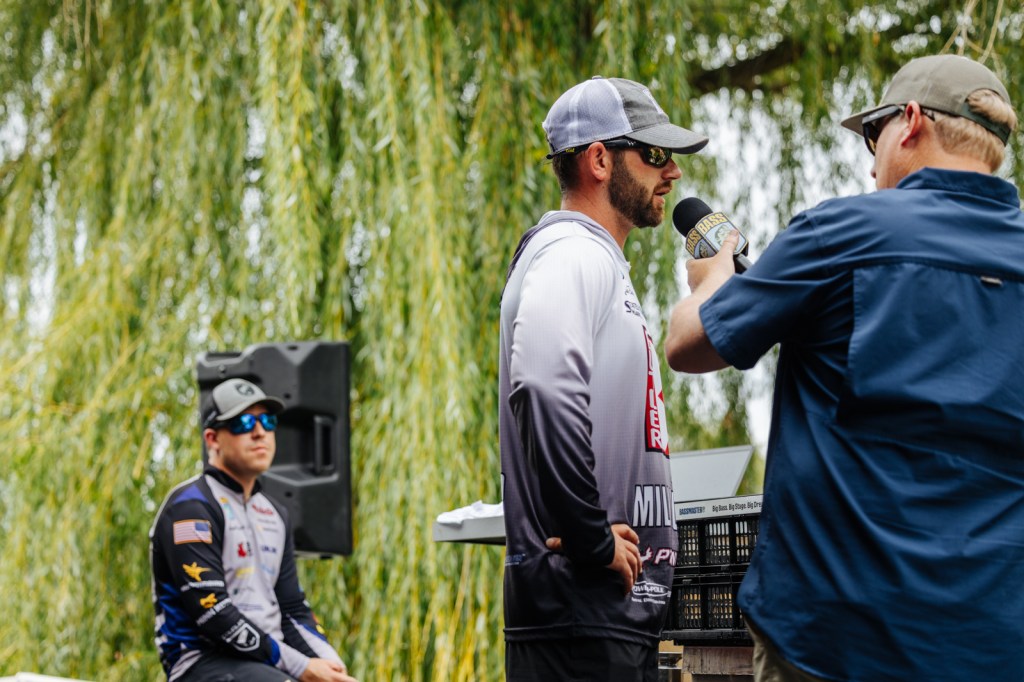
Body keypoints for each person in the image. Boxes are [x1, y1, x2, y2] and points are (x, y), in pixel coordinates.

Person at [664, 54, 1024, 681]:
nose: (870, 161)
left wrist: (712, 279)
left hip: (832, 641)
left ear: (911, 121)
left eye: (872, 135)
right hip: (992, 643)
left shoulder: (842, 234)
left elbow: (689, 345)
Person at [499, 76, 707, 681]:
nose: (673, 173)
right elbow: (542, 384)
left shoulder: (594, 259)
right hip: (579, 617)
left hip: (603, 618)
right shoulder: (572, 252)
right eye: (656, 155)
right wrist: (589, 538)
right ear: (598, 160)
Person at [150, 378, 358, 682]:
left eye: (267, 421)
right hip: (201, 662)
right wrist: (301, 666)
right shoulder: (190, 507)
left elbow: (292, 608)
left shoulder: (275, 513)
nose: (259, 431)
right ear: (212, 439)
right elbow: (214, 613)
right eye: (243, 423)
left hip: (269, 663)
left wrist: (330, 663)